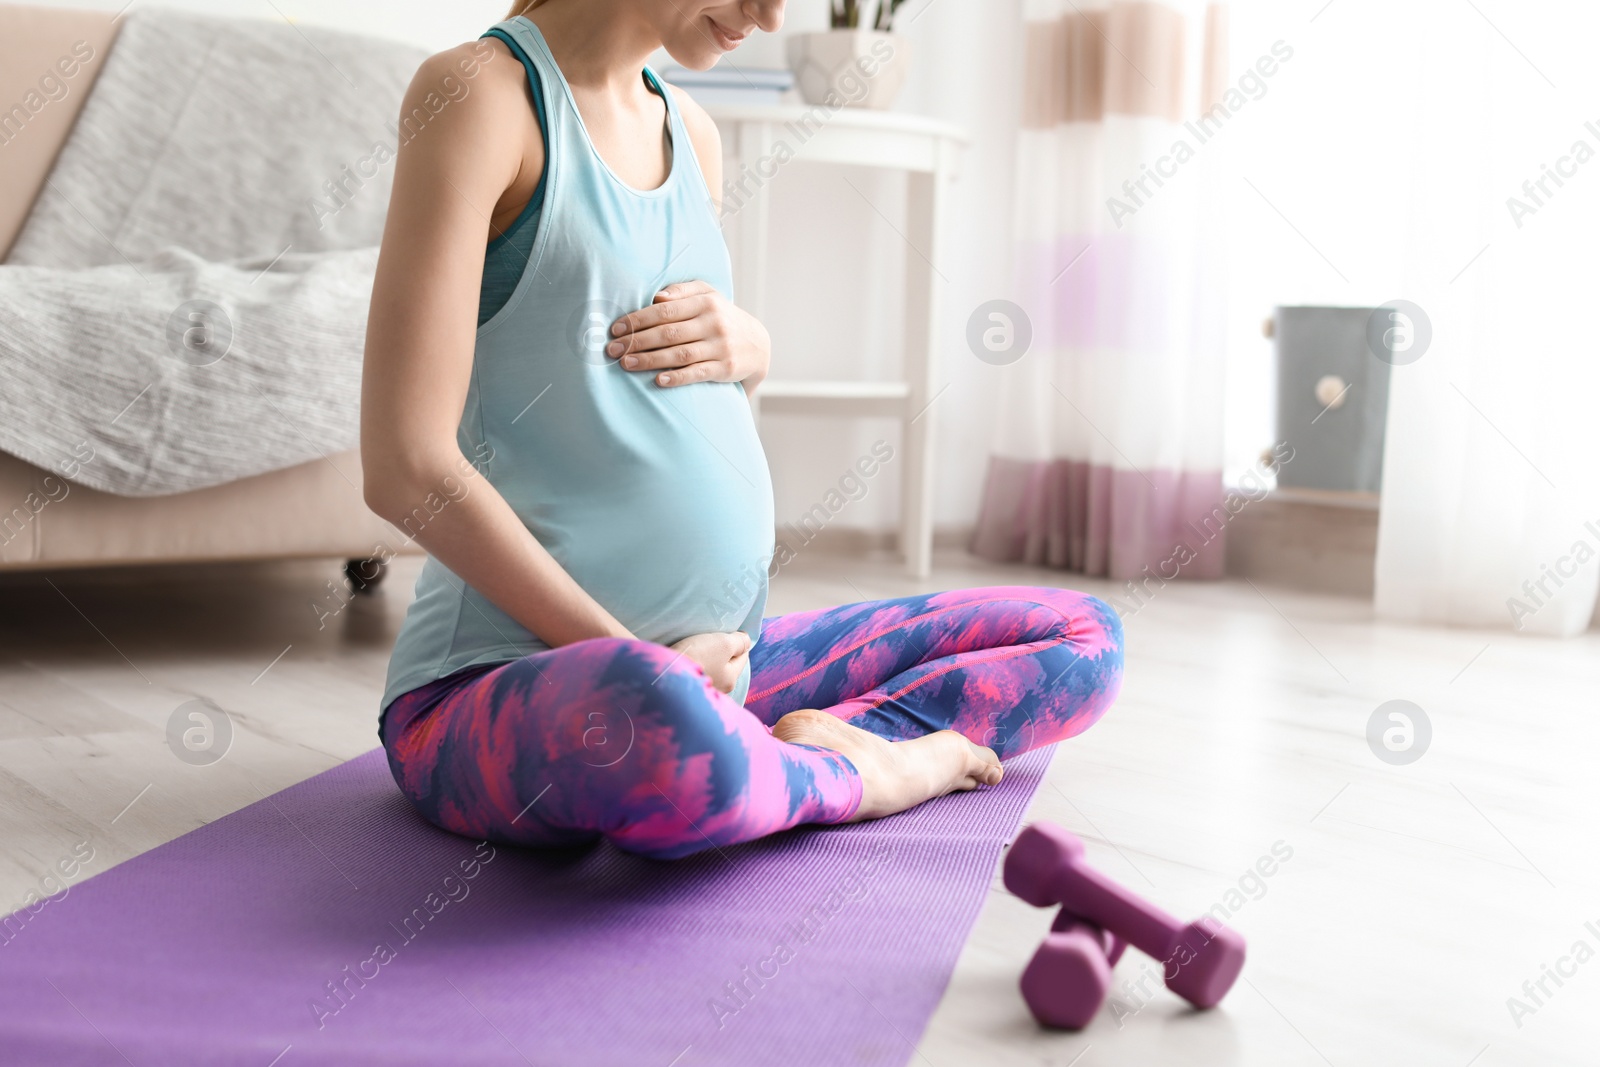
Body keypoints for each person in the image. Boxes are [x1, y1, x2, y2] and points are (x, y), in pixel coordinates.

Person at [360, 0, 1124, 860]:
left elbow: (669, 415)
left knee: (1083, 635)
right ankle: (873, 776)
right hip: (500, 691)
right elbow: (405, 467)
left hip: (726, 671)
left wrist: (754, 355)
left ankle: (780, 749)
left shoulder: (692, 132)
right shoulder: (480, 98)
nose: (768, 16)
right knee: (658, 722)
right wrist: (648, 664)